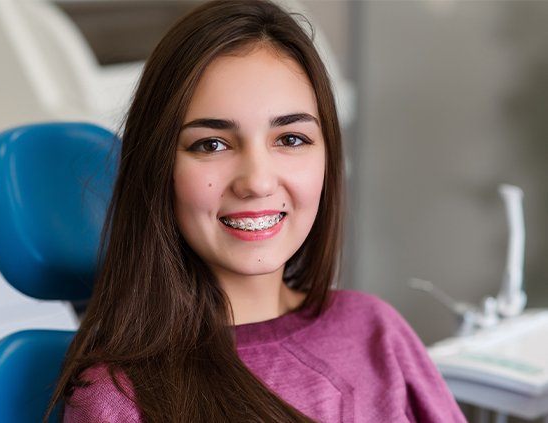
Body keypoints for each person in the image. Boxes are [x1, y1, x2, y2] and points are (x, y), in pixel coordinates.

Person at [45, 1, 467, 421]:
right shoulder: (118, 399)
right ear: (159, 170)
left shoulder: (376, 330)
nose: (257, 182)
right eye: (211, 144)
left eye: (291, 139)